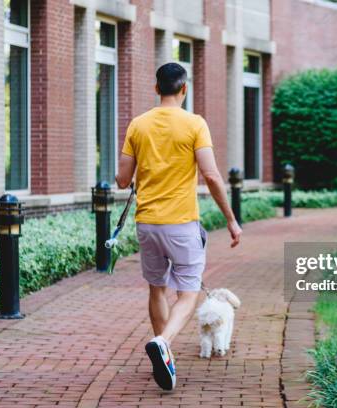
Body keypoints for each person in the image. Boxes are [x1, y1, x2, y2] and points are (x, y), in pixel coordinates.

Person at [115, 62, 242, 391]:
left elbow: (122, 179)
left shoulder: (138, 125)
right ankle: (163, 342)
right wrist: (230, 219)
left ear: (156, 89)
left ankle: (164, 354)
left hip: (147, 223)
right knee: (187, 294)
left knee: (157, 288)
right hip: (182, 224)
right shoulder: (195, 124)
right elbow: (211, 175)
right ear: (183, 89)